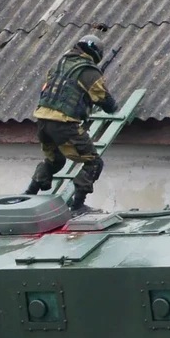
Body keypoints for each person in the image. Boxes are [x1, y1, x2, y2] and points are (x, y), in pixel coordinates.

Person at [28, 35, 121, 213]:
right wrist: (114, 108)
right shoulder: (89, 71)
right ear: (95, 54)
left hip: (42, 122)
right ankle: (78, 205)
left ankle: (29, 193)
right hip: (64, 125)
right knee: (94, 163)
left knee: (55, 161)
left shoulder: (58, 65)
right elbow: (105, 101)